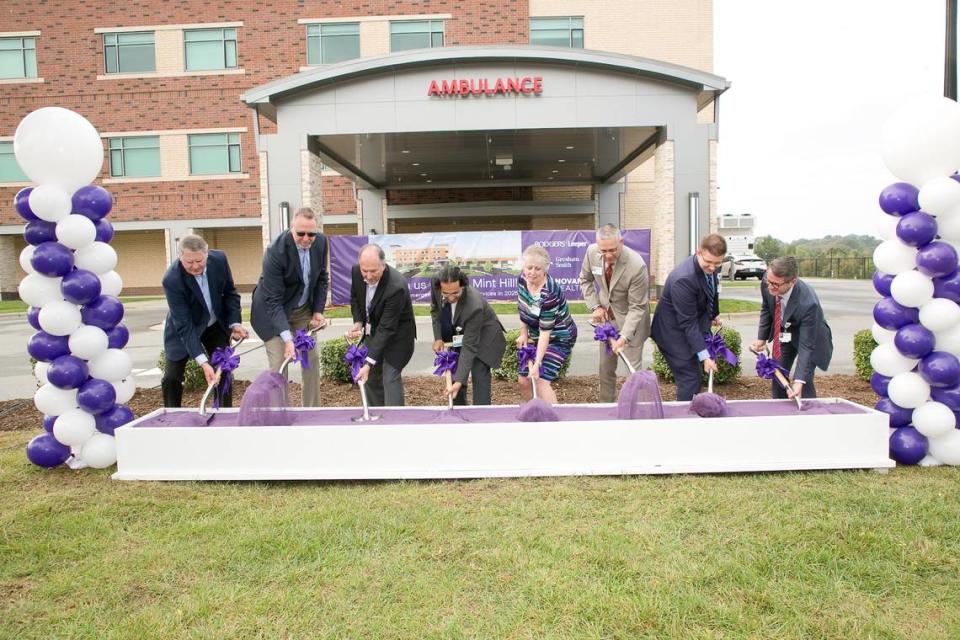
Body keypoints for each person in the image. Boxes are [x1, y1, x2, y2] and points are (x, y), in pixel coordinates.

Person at [250, 207, 329, 407]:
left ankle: (312, 410)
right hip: (272, 312)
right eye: (300, 233)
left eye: (311, 234)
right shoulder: (275, 252)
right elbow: (274, 301)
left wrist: (318, 311)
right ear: (291, 228)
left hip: (303, 310)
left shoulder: (320, 243)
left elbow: (321, 278)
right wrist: (287, 339)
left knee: (311, 358)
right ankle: (280, 413)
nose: (306, 238)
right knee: (279, 363)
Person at [161, 234, 248, 407]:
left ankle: (223, 415)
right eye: (189, 263)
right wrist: (203, 363)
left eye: (199, 261)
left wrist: (234, 323)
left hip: (214, 325)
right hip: (185, 328)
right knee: (172, 377)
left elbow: (230, 293)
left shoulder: (220, 260)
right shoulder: (172, 280)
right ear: (180, 257)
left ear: (207, 254)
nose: (195, 266)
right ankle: (172, 418)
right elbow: (184, 326)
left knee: (223, 371)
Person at [579, 223, 651, 402]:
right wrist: (595, 306)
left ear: (621, 242)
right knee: (606, 369)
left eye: (613, 250)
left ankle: (636, 409)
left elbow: (637, 307)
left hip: (632, 322)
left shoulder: (637, 265)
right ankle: (606, 407)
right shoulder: (591, 252)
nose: (608, 255)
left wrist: (624, 337)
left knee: (633, 372)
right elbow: (585, 280)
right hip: (607, 322)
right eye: (604, 251)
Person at [650, 234, 726, 401]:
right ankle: (685, 419)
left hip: (688, 327)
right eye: (709, 262)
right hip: (672, 333)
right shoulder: (684, 279)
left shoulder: (709, 267)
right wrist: (705, 356)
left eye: (717, 263)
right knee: (690, 378)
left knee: (694, 374)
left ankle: (691, 410)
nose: (713, 268)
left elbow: (712, 292)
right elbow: (688, 323)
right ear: (699, 252)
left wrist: (713, 315)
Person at [751, 257, 833, 399]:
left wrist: (799, 381)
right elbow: (766, 307)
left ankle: (807, 412)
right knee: (778, 372)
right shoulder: (769, 280)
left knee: (803, 380)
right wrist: (761, 338)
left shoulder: (808, 303)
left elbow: (806, 346)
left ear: (792, 282)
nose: (770, 287)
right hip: (786, 332)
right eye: (768, 282)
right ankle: (779, 411)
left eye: (775, 285)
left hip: (811, 336)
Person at [346, 244, 416, 406]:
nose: (368, 276)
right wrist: (358, 322)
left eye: (374, 271)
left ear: (383, 266)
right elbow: (355, 297)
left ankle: (395, 422)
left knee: (389, 377)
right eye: (365, 271)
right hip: (374, 331)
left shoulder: (396, 287)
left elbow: (387, 328)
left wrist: (369, 362)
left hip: (398, 337)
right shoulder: (357, 271)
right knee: (369, 377)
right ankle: (376, 417)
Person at [430, 265, 506, 405]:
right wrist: (438, 337)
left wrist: (459, 381)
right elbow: (435, 309)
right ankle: (459, 411)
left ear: (463, 286)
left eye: (455, 293)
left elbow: (469, 346)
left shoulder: (474, 305)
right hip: (459, 332)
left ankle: (481, 415)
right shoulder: (436, 282)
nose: (451, 298)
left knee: (479, 372)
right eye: (446, 294)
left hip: (485, 336)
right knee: (455, 367)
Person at [517, 244, 578, 404]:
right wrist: (524, 333)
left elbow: (546, 332)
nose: (532, 272)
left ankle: (554, 423)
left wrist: (538, 363)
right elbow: (522, 307)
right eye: (529, 267)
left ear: (546, 268)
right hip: (536, 335)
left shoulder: (550, 293)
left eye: (538, 268)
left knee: (541, 380)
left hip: (559, 337)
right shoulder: (522, 279)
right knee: (523, 381)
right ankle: (533, 414)